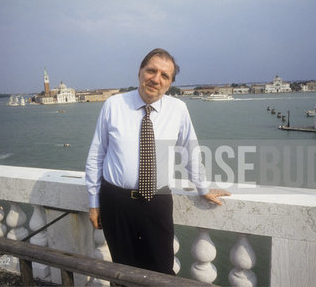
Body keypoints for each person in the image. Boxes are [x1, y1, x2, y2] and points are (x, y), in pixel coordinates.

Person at [85, 48, 230, 275]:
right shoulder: (113, 105)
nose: (156, 79)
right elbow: (96, 154)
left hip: (157, 201)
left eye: (165, 75)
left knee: (162, 270)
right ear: (140, 72)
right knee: (122, 270)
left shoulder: (178, 109)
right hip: (115, 202)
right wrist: (94, 202)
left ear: (170, 82)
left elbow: (190, 151)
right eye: (151, 70)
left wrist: (202, 188)